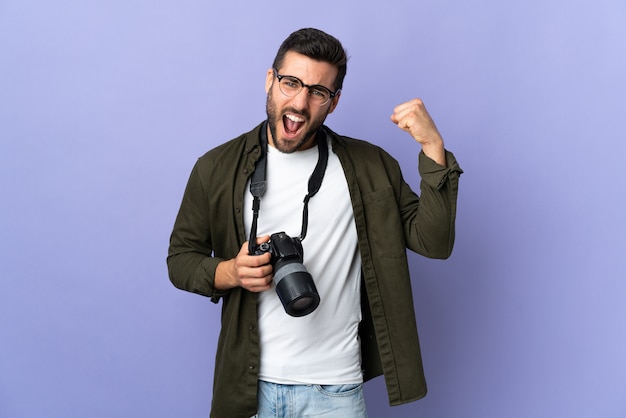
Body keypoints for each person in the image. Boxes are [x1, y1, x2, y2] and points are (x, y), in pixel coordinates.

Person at [167, 27, 462, 418]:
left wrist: (433, 149)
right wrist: (231, 272)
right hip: (247, 389)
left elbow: (434, 242)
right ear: (270, 80)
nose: (300, 102)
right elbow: (180, 260)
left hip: (335, 390)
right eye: (291, 83)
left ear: (334, 102)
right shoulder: (216, 167)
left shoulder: (371, 166)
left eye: (318, 92)